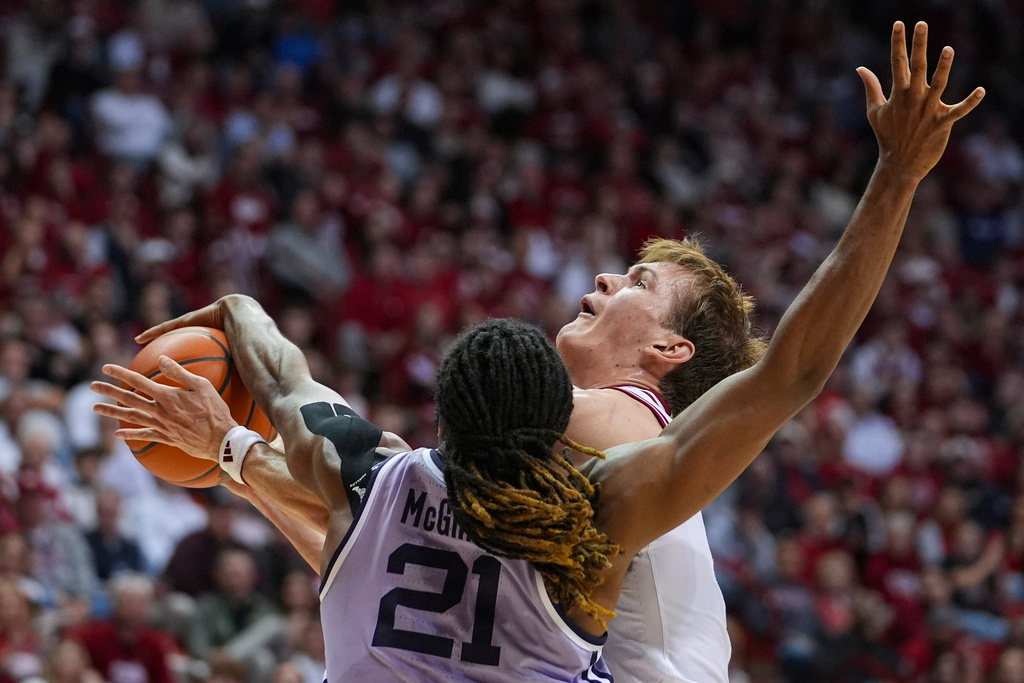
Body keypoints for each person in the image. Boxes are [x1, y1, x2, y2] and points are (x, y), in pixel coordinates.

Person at [93, 22, 984, 683]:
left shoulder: (613, 431)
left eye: (637, 279)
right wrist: (235, 450)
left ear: (671, 348)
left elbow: (359, 489)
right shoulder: (582, 509)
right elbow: (373, 518)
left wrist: (238, 432)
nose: (602, 277)